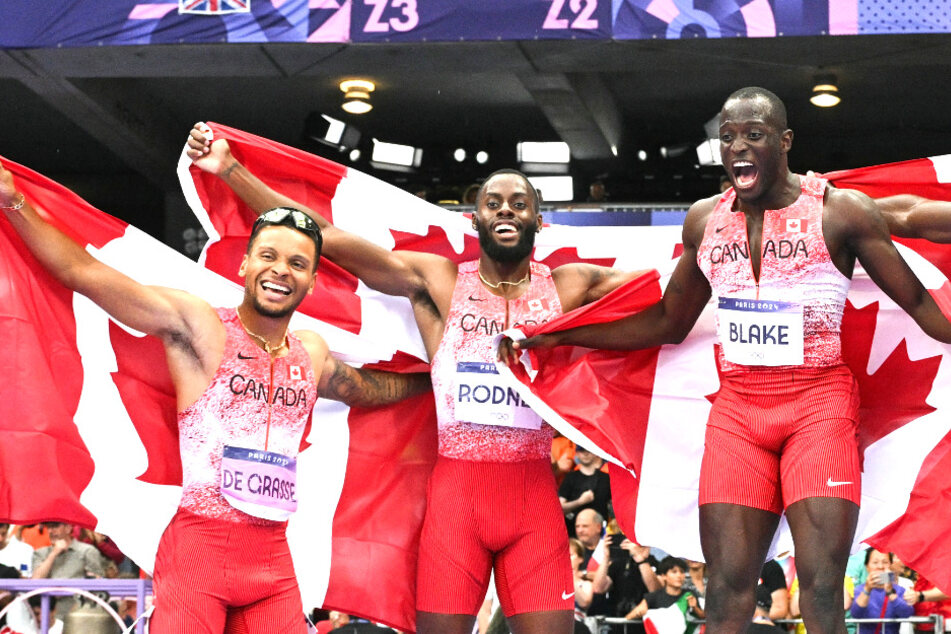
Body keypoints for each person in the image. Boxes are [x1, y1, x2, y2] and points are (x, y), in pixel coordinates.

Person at [503, 86, 951, 633]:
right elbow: (669, 322)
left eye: (754, 135)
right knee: (727, 585)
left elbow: (921, 304)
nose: (738, 147)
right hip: (738, 416)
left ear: (784, 142)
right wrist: (561, 338)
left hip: (819, 409)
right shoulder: (704, 221)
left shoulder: (839, 213)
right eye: (728, 138)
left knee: (822, 584)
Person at [186, 124, 643, 634]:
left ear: (539, 217)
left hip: (533, 497)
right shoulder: (440, 280)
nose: (507, 210)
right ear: (476, 218)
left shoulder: (569, 284)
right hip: (457, 502)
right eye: (495, 202)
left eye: (519, 202)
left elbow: (660, 285)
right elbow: (325, 238)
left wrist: (726, 230)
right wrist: (229, 170)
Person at [0, 163, 429, 634]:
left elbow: (366, 390)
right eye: (268, 255)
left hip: (273, 564)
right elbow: (82, 271)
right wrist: (14, 203)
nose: (280, 270)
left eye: (297, 264)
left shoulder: (311, 352)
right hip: (199, 552)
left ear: (309, 283)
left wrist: (434, 380)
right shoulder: (200, 327)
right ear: (245, 265)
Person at [850, 550, 914, 634]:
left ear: (891, 565)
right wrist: (867, 589)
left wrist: (890, 592)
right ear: (867, 567)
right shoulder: (859, 589)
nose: (880, 566)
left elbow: (907, 613)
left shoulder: (899, 590)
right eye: (875, 562)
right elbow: (856, 614)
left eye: (885, 562)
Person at [559, 446, 611, 537]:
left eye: (588, 450)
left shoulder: (606, 479)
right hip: (574, 534)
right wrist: (580, 502)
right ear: (577, 454)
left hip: (600, 534)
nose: (586, 453)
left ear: (595, 453)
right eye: (581, 450)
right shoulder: (570, 478)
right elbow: (559, 508)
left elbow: (614, 507)